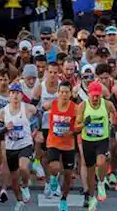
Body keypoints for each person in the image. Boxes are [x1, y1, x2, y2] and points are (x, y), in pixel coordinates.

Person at [0, 83, 35, 211]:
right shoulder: (3, 111)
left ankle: (25, 185)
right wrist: (4, 128)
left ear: (21, 95)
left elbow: (40, 115)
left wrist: (37, 130)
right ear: (9, 95)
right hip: (11, 147)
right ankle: (19, 201)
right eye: (12, 93)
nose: (15, 95)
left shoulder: (28, 108)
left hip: (25, 144)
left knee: (24, 167)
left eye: (17, 93)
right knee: (14, 179)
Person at [45, 81, 81, 211]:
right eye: (62, 92)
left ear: (70, 94)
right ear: (58, 93)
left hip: (68, 146)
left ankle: (63, 200)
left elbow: (78, 127)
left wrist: (71, 131)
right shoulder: (52, 104)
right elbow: (38, 110)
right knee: (54, 167)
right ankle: (53, 178)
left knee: (67, 176)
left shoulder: (75, 108)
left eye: (67, 92)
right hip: (53, 142)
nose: (64, 95)